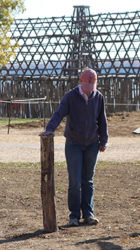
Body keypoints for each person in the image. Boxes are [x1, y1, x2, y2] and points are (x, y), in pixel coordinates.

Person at [40, 68, 108, 227]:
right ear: (81, 82)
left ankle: (88, 214)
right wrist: (50, 129)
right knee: (75, 181)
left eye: (92, 85)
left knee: (88, 180)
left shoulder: (98, 97)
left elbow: (102, 120)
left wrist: (104, 140)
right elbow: (59, 113)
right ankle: (74, 215)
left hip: (92, 143)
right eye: (87, 85)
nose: (90, 89)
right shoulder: (71, 96)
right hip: (74, 144)